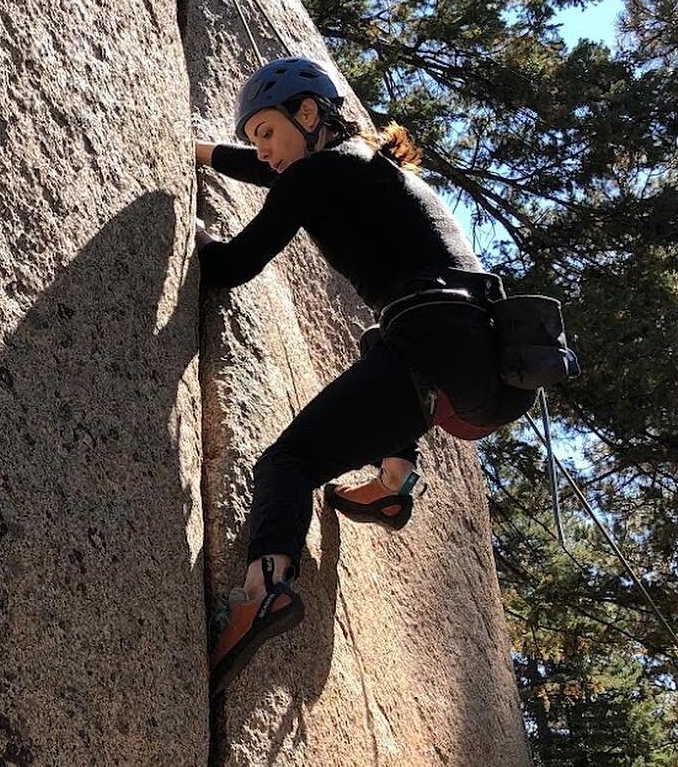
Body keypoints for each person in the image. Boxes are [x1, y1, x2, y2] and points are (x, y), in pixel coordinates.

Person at [194, 54, 535, 695]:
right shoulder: (371, 169)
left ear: (308, 113)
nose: (261, 150)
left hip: (430, 343)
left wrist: (194, 243)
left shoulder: (321, 171)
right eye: (253, 141)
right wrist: (211, 153)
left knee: (288, 464)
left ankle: (262, 589)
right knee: (378, 344)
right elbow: (278, 176)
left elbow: (235, 265)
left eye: (266, 131)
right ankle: (396, 478)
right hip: (490, 369)